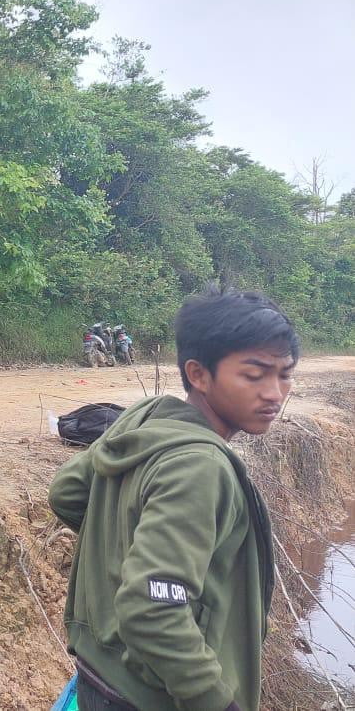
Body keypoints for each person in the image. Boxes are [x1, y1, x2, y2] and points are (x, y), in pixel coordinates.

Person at [49, 287, 298, 711]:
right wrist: (216, 702)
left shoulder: (146, 417)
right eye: (254, 375)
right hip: (152, 696)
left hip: (102, 672)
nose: (274, 393)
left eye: (285, 374)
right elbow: (152, 606)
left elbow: (68, 491)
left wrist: (122, 553)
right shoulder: (200, 466)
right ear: (199, 374)